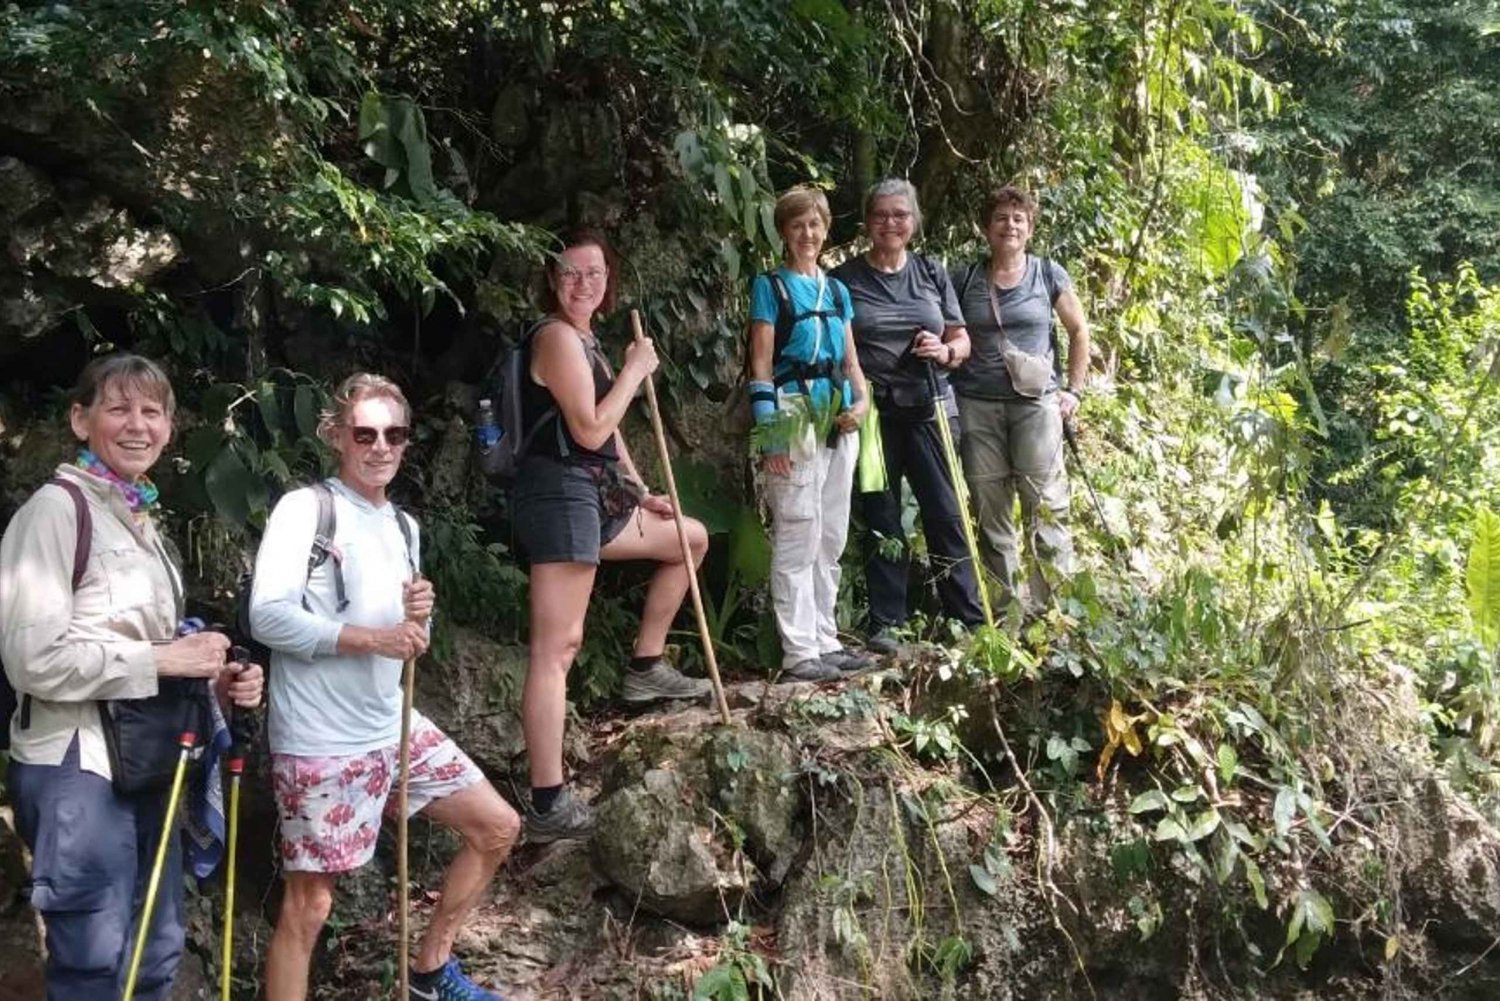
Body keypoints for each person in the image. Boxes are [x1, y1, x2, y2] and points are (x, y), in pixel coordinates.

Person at [1, 353, 264, 1000]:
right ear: (80, 419)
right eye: (118, 408)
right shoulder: (56, 511)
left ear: (171, 427)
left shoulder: (142, 521)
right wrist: (163, 660)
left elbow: (144, 645)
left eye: (152, 410)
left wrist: (215, 683)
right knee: (92, 963)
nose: (137, 424)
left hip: (147, 761)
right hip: (77, 765)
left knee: (154, 953)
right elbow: (31, 660)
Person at [251, 373, 519, 1001]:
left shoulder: (403, 527)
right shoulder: (304, 509)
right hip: (321, 737)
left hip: (390, 726)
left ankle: (428, 971)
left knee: (496, 826)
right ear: (336, 436)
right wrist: (373, 640)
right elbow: (266, 616)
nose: (380, 446)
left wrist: (417, 622)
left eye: (393, 434)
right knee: (310, 905)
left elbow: (404, 636)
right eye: (364, 433)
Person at [508, 230, 712, 844]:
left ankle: (646, 667)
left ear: (607, 282)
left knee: (689, 538)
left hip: (596, 496)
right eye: (570, 273)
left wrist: (640, 487)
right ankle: (547, 803)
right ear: (553, 280)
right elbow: (593, 428)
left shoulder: (586, 341)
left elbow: (611, 441)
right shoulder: (555, 338)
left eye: (594, 274)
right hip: (559, 496)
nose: (582, 284)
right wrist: (633, 370)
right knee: (557, 648)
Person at [831, 178, 986, 651]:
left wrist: (943, 350)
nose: (890, 223)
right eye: (880, 215)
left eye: (900, 215)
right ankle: (888, 626)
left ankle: (968, 622)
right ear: (867, 221)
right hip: (874, 415)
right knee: (882, 516)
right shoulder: (845, 280)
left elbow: (962, 339)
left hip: (932, 407)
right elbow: (835, 347)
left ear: (914, 221)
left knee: (945, 511)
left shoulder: (931, 273)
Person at [747, 185, 871, 682]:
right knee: (798, 530)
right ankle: (799, 651)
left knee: (831, 533)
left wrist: (861, 403)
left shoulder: (837, 290)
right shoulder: (770, 287)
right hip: (792, 410)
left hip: (837, 416)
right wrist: (770, 434)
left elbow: (850, 360)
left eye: (815, 224)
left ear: (826, 230)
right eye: (798, 225)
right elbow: (760, 362)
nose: (808, 234)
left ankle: (826, 638)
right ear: (784, 231)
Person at [950, 186, 1091, 610]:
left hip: (1036, 407)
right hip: (977, 405)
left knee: (1045, 507)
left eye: (1018, 219)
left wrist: (1073, 391)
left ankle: (1053, 616)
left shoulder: (1048, 274)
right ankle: (1006, 613)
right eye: (1000, 218)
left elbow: (1079, 330)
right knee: (990, 509)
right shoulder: (966, 279)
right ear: (985, 227)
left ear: (1030, 227)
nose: (1009, 225)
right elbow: (950, 333)